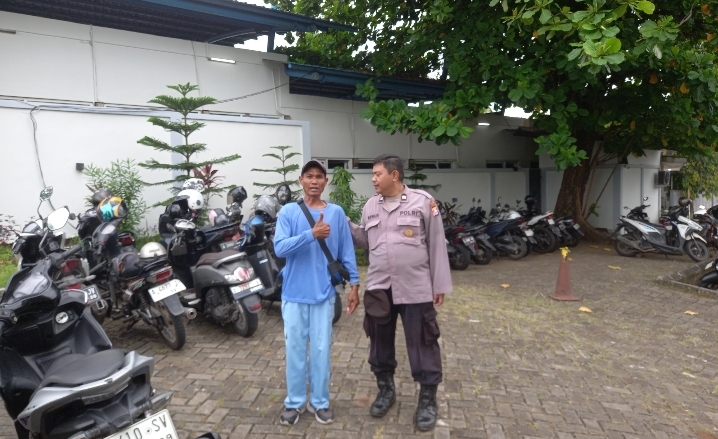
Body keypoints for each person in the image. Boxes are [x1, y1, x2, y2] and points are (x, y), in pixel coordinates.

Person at [346, 154, 452, 431]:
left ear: (394, 175)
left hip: (416, 287)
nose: (373, 179)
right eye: (372, 174)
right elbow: (366, 240)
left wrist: (439, 284)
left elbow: (436, 243)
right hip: (379, 287)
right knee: (379, 343)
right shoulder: (371, 205)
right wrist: (345, 224)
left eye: (377, 174)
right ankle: (386, 391)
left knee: (423, 343)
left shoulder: (422, 202)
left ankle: (427, 401)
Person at [274, 160, 360, 425]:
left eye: (319, 176)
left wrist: (355, 284)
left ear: (325, 181)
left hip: (324, 295)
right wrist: (311, 234)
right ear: (301, 180)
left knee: (322, 352)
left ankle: (320, 402)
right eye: (309, 176)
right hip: (294, 295)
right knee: (295, 351)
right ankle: (294, 402)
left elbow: (346, 251)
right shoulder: (288, 212)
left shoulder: (336, 213)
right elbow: (280, 248)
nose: (314, 181)